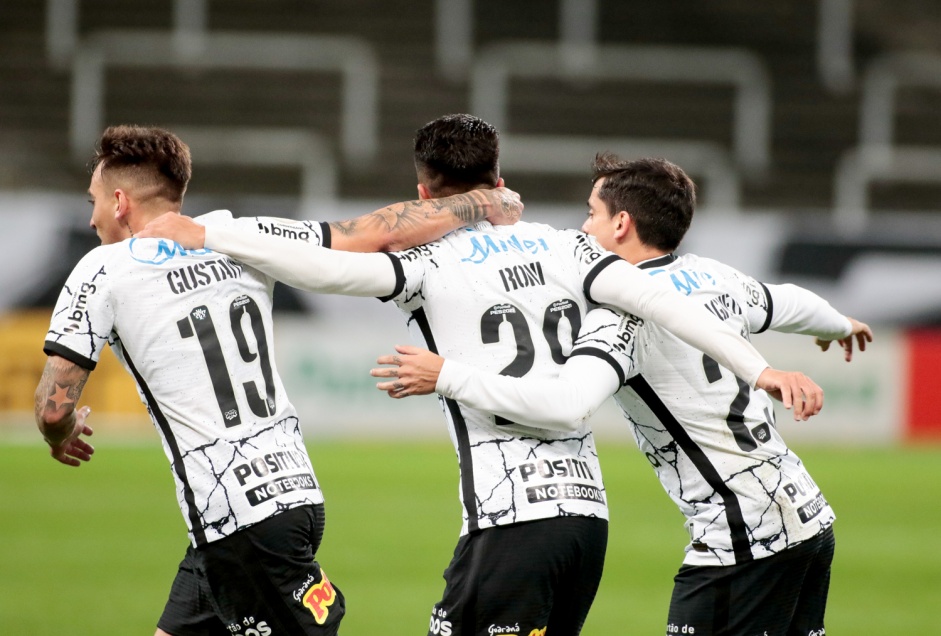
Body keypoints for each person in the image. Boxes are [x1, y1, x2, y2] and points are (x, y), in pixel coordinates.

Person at [139, 115, 825, 636]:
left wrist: (210, 233)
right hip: (587, 523)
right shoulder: (566, 246)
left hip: (510, 519)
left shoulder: (427, 266)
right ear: (499, 181)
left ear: (421, 190)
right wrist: (757, 367)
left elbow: (330, 261)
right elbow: (660, 299)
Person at [33, 124, 524, 636]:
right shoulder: (241, 235)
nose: (90, 218)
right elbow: (378, 230)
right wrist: (485, 202)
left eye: (92, 201)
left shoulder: (100, 270)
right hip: (285, 494)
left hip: (237, 518)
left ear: (119, 201)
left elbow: (52, 405)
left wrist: (59, 433)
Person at [373, 154, 874, 636]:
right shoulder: (714, 276)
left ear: (621, 224)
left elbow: (566, 405)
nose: (583, 228)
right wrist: (841, 323)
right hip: (808, 518)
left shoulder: (621, 317)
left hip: (741, 542)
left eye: (592, 214)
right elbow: (789, 301)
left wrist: (447, 375)